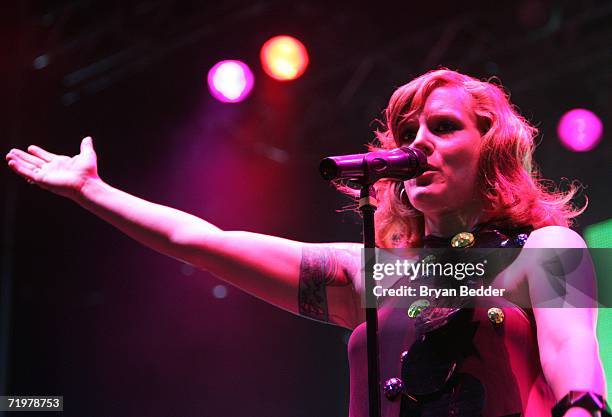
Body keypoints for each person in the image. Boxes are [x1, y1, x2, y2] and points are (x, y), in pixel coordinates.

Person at [5, 69, 608, 417]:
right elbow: (199, 240)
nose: (417, 142)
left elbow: (578, 384)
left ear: (491, 146)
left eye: (443, 127)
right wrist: (93, 191)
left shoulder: (545, 248)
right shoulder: (374, 276)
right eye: (407, 132)